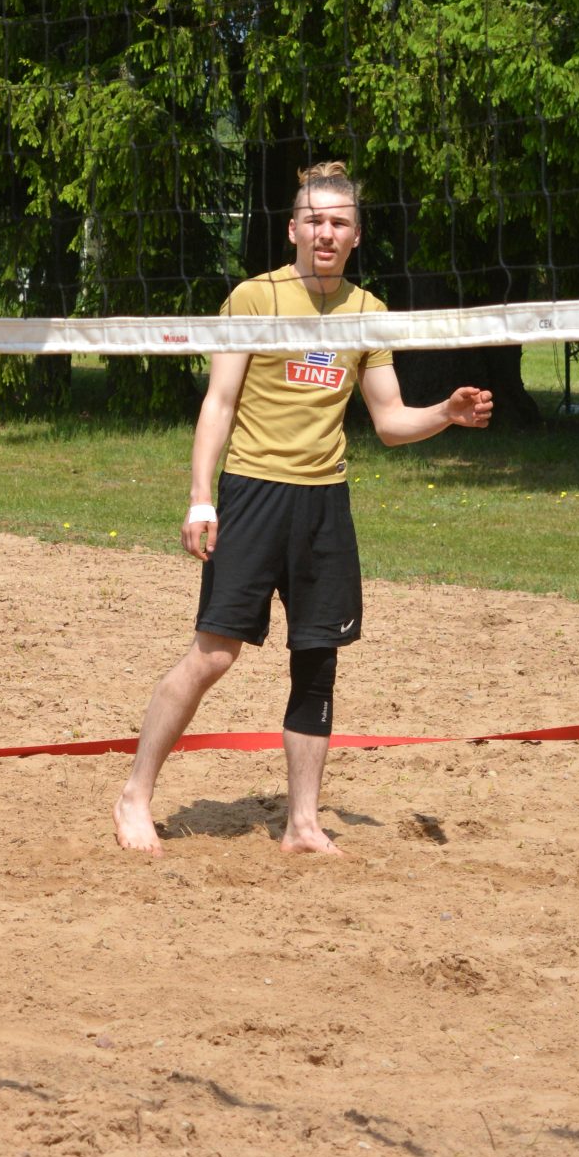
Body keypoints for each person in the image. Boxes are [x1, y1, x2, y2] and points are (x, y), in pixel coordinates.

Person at [113, 162, 493, 859]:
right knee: (213, 655)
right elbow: (218, 403)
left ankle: (303, 824)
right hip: (253, 493)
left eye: (338, 222)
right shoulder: (254, 298)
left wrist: (445, 412)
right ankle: (135, 795)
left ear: (356, 236)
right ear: (292, 228)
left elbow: (388, 421)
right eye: (314, 220)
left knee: (317, 661)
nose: (325, 232)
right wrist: (200, 497)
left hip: (325, 504)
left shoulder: (368, 312)